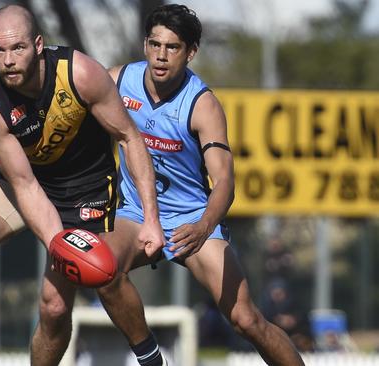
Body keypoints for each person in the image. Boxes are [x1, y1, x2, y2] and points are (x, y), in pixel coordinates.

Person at [0, 5, 165, 366]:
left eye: (18, 49)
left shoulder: (81, 74)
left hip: (84, 188)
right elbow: (24, 184)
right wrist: (59, 245)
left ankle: (150, 356)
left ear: (38, 44)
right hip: (23, 179)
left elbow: (129, 138)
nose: (8, 60)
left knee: (55, 306)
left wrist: (151, 218)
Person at [96, 4, 305, 366]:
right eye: (154, 44)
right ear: (145, 44)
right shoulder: (117, 81)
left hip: (193, 221)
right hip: (136, 213)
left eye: (172, 47)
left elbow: (225, 181)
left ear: (190, 52)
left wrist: (203, 226)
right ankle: (150, 357)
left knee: (246, 319)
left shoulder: (202, 105)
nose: (160, 56)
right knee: (101, 269)